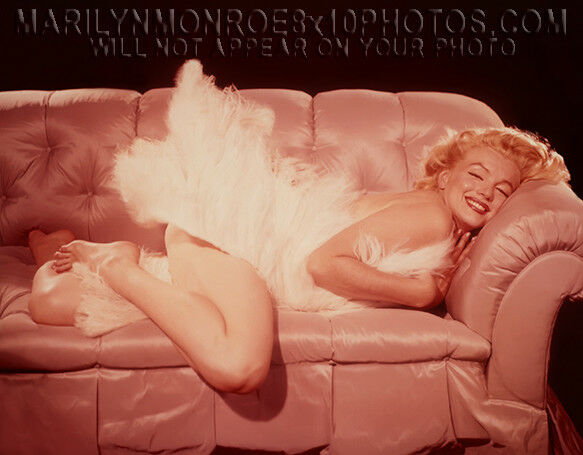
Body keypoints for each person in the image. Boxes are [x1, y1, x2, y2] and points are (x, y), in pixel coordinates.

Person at [27, 62, 570, 395]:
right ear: (446, 175)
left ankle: (59, 246)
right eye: (477, 174)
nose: (487, 192)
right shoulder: (431, 214)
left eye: (504, 191)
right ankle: (121, 263)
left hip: (227, 255)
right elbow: (323, 265)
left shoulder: (440, 222)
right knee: (239, 367)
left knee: (50, 303)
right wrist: (420, 292)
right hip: (236, 249)